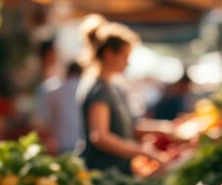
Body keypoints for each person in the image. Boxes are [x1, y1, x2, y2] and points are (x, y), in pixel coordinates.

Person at [77, 16, 173, 173]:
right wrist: (142, 151)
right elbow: (100, 136)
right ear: (109, 54)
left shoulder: (109, 86)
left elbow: (126, 125)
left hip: (114, 170)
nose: (128, 63)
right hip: (103, 172)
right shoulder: (99, 88)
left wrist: (162, 129)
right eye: (125, 56)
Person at [37, 61, 83, 153]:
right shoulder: (86, 89)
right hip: (81, 144)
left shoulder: (53, 91)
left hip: (59, 144)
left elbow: (43, 120)